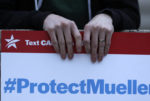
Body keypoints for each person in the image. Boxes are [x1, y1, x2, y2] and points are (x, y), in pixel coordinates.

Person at [0, 0, 140, 62]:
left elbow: (132, 15)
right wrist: (41, 19)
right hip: (27, 64)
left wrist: (108, 17)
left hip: (96, 64)